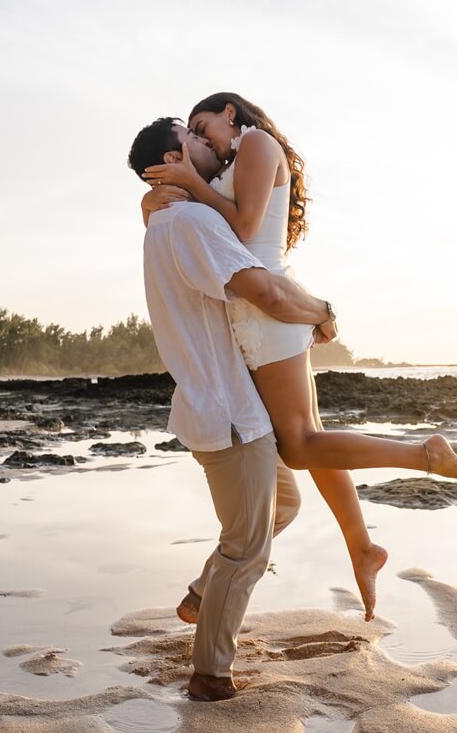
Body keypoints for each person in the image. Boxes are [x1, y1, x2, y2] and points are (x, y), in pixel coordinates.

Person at [139, 94, 457, 620]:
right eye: (192, 133)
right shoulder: (227, 165)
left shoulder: (257, 142)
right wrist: (155, 200)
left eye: (203, 126)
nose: (202, 138)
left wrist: (189, 183)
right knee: (311, 440)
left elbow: (245, 228)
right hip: (254, 312)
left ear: (230, 112)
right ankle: (362, 547)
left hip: (268, 311)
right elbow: (191, 221)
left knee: (300, 447)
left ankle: (425, 455)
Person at [127, 118, 339, 702]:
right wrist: (322, 311)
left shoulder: (167, 221)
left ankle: (203, 593)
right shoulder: (191, 222)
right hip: (226, 411)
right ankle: (210, 677)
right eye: (192, 136)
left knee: (284, 503)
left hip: (224, 404)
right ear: (175, 158)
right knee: (247, 547)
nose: (208, 143)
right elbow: (264, 290)